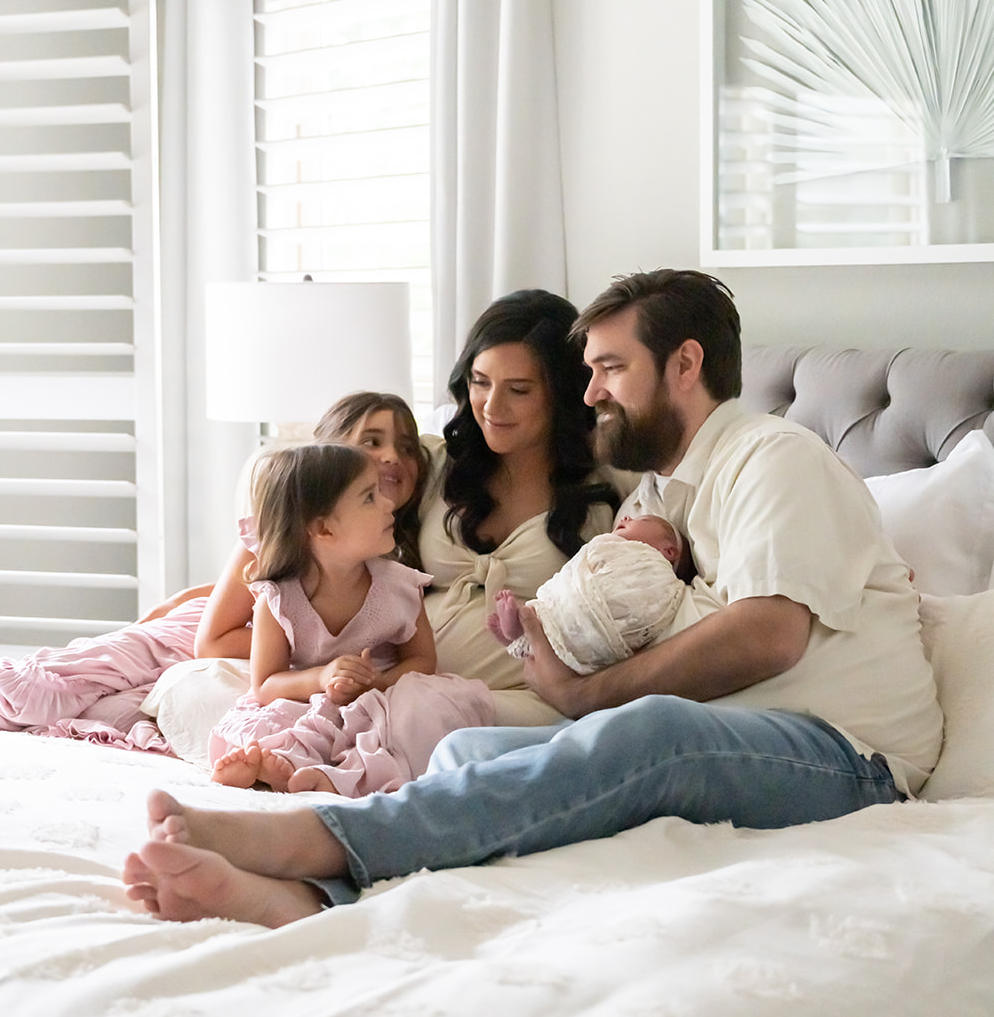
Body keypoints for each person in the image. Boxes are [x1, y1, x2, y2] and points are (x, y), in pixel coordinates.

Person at [122, 268, 943, 929]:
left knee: (649, 731)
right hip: (738, 731)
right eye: (588, 373)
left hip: (844, 753)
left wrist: (584, 697)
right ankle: (318, 902)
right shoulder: (659, 493)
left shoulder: (775, 458)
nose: (590, 393)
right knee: (463, 757)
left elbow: (767, 635)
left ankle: (309, 844)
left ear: (684, 365)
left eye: (610, 369)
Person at [0, 390, 429, 748]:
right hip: (197, 637)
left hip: (267, 650)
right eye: (372, 442)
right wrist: (298, 647)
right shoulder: (272, 535)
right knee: (60, 678)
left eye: (407, 446)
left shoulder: (400, 555)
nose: (391, 457)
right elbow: (221, 632)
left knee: (107, 719)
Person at [205, 442, 493, 795]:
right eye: (369, 497)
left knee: (419, 714)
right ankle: (280, 764)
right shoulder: (278, 598)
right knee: (276, 721)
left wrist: (379, 682)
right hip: (312, 699)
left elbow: (422, 660)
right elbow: (264, 685)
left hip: (381, 699)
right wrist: (322, 677)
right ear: (324, 529)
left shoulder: (400, 587)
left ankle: (339, 777)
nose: (389, 503)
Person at [417, 289, 618, 718]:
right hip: (404, 684)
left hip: (525, 707)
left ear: (561, 394)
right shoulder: (434, 464)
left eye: (519, 390)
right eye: (480, 381)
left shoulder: (605, 495)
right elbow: (315, 497)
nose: (491, 406)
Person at [487, 511, 690, 673]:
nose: (627, 518)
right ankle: (521, 636)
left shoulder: (659, 577)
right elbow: (580, 567)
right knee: (560, 610)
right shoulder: (615, 549)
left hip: (606, 627)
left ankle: (522, 633)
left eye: (643, 519)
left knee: (560, 625)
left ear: (669, 551)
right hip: (582, 603)